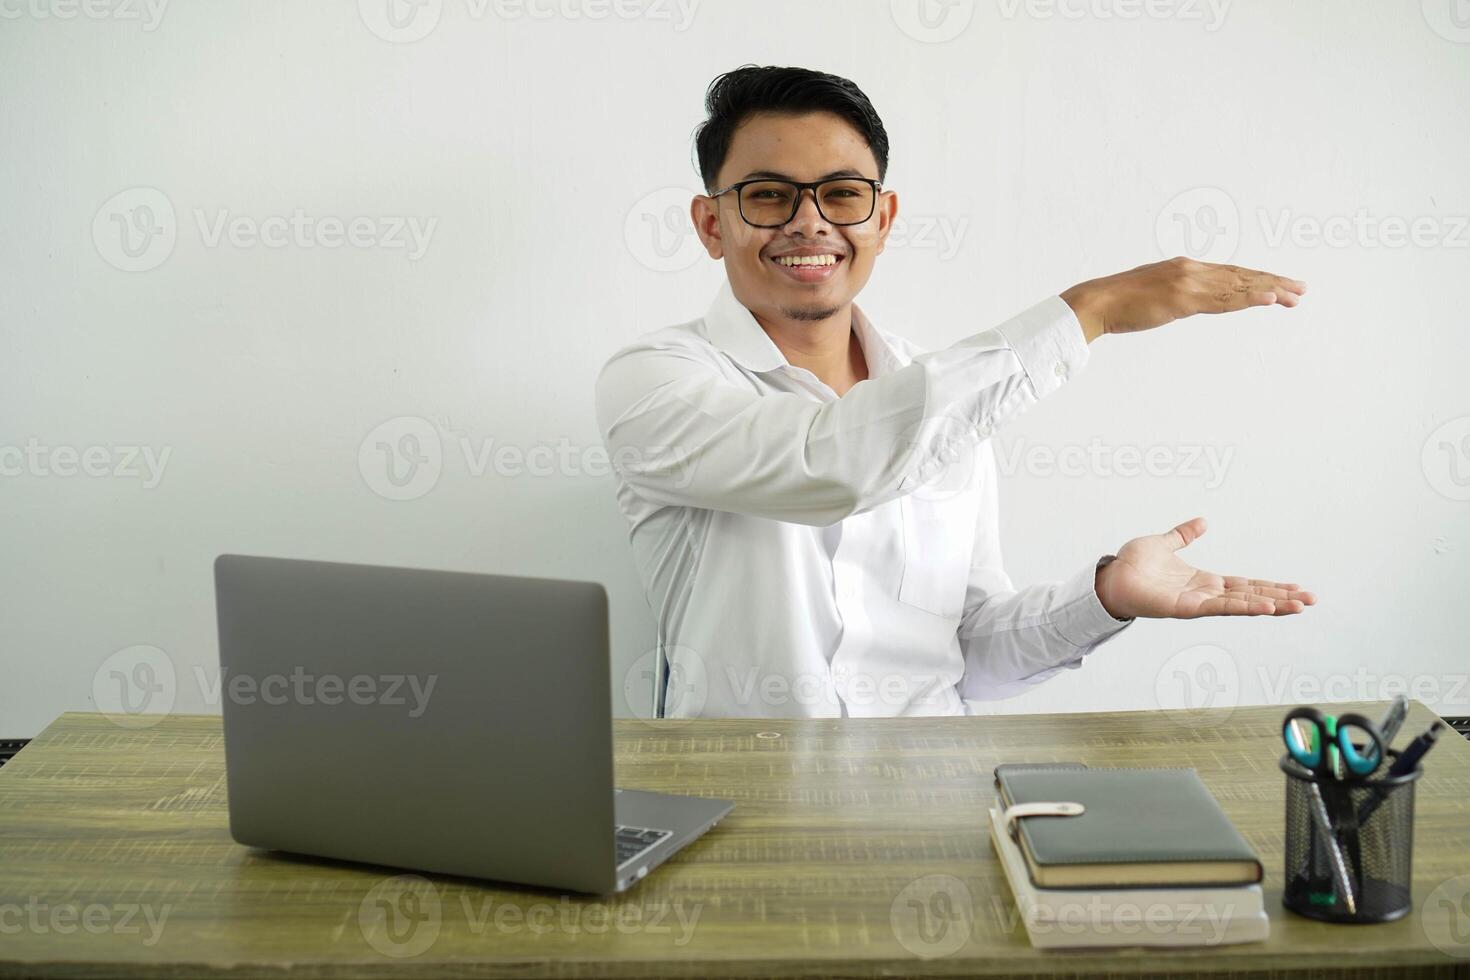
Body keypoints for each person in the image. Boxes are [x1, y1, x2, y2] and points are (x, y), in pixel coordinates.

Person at [594, 65, 1314, 719]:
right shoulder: (655, 381)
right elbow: (829, 469)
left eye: (843, 194)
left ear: (882, 218)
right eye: (769, 196)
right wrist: (1086, 311)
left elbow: (969, 654)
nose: (809, 221)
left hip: (930, 803)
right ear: (711, 223)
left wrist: (1104, 598)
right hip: (740, 816)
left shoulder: (948, 396)